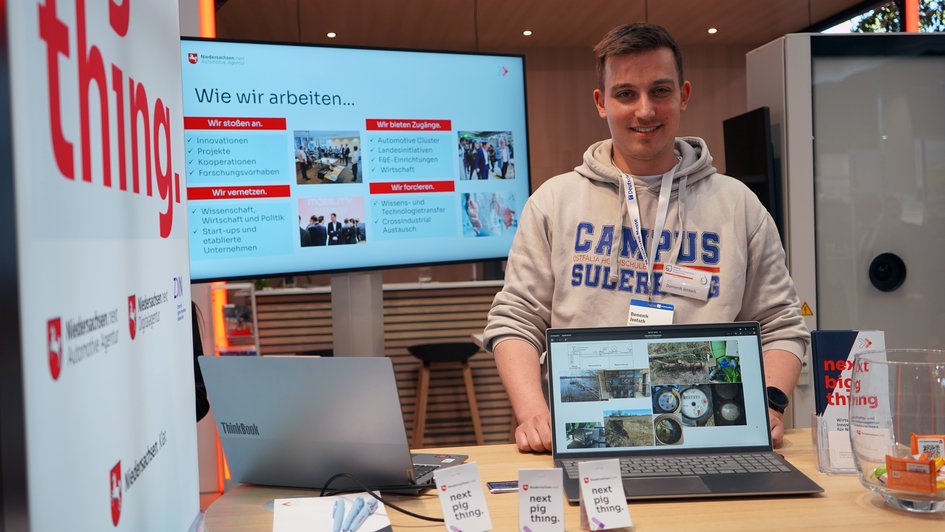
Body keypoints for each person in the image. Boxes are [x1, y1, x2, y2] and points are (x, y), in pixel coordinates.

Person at [483, 23, 808, 453]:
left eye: (660, 91)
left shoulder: (738, 205)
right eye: (625, 94)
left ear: (683, 95)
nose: (645, 110)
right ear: (601, 102)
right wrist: (533, 414)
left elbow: (782, 324)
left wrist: (770, 404)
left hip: (709, 434)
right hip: (588, 436)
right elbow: (515, 320)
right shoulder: (554, 202)